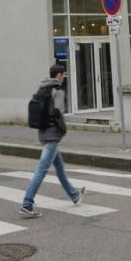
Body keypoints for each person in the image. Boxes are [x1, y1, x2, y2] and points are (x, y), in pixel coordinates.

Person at [20, 64, 85, 218]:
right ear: (59, 75)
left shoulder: (42, 89)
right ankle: (27, 204)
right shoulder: (58, 91)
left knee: (60, 168)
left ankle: (75, 195)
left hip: (42, 133)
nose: (64, 78)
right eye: (63, 75)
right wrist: (63, 129)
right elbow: (58, 113)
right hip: (52, 135)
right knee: (42, 169)